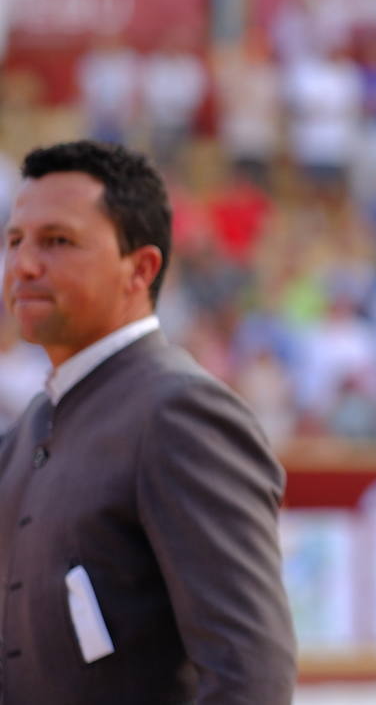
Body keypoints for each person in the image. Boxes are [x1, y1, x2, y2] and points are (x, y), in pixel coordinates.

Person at [0, 141, 296, 704]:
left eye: (57, 241)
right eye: (15, 241)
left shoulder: (181, 416)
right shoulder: (28, 431)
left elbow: (249, 676)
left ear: (141, 268)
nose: (24, 264)